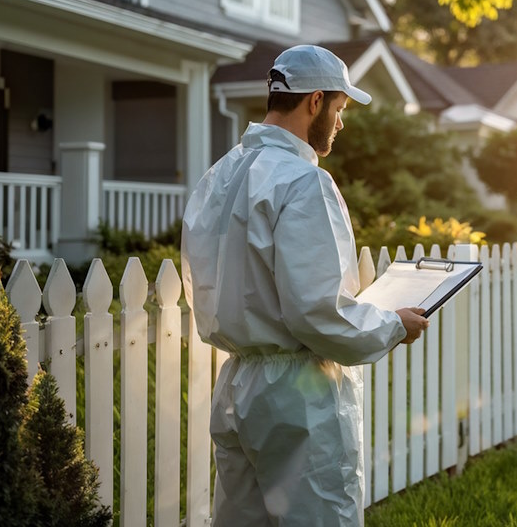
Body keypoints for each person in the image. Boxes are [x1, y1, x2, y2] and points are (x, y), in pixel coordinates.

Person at [181, 45, 429, 526]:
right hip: (299, 395)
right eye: (339, 110)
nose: (341, 124)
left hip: (237, 386)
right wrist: (392, 325)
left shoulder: (219, 176)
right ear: (315, 102)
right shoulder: (303, 182)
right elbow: (319, 313)